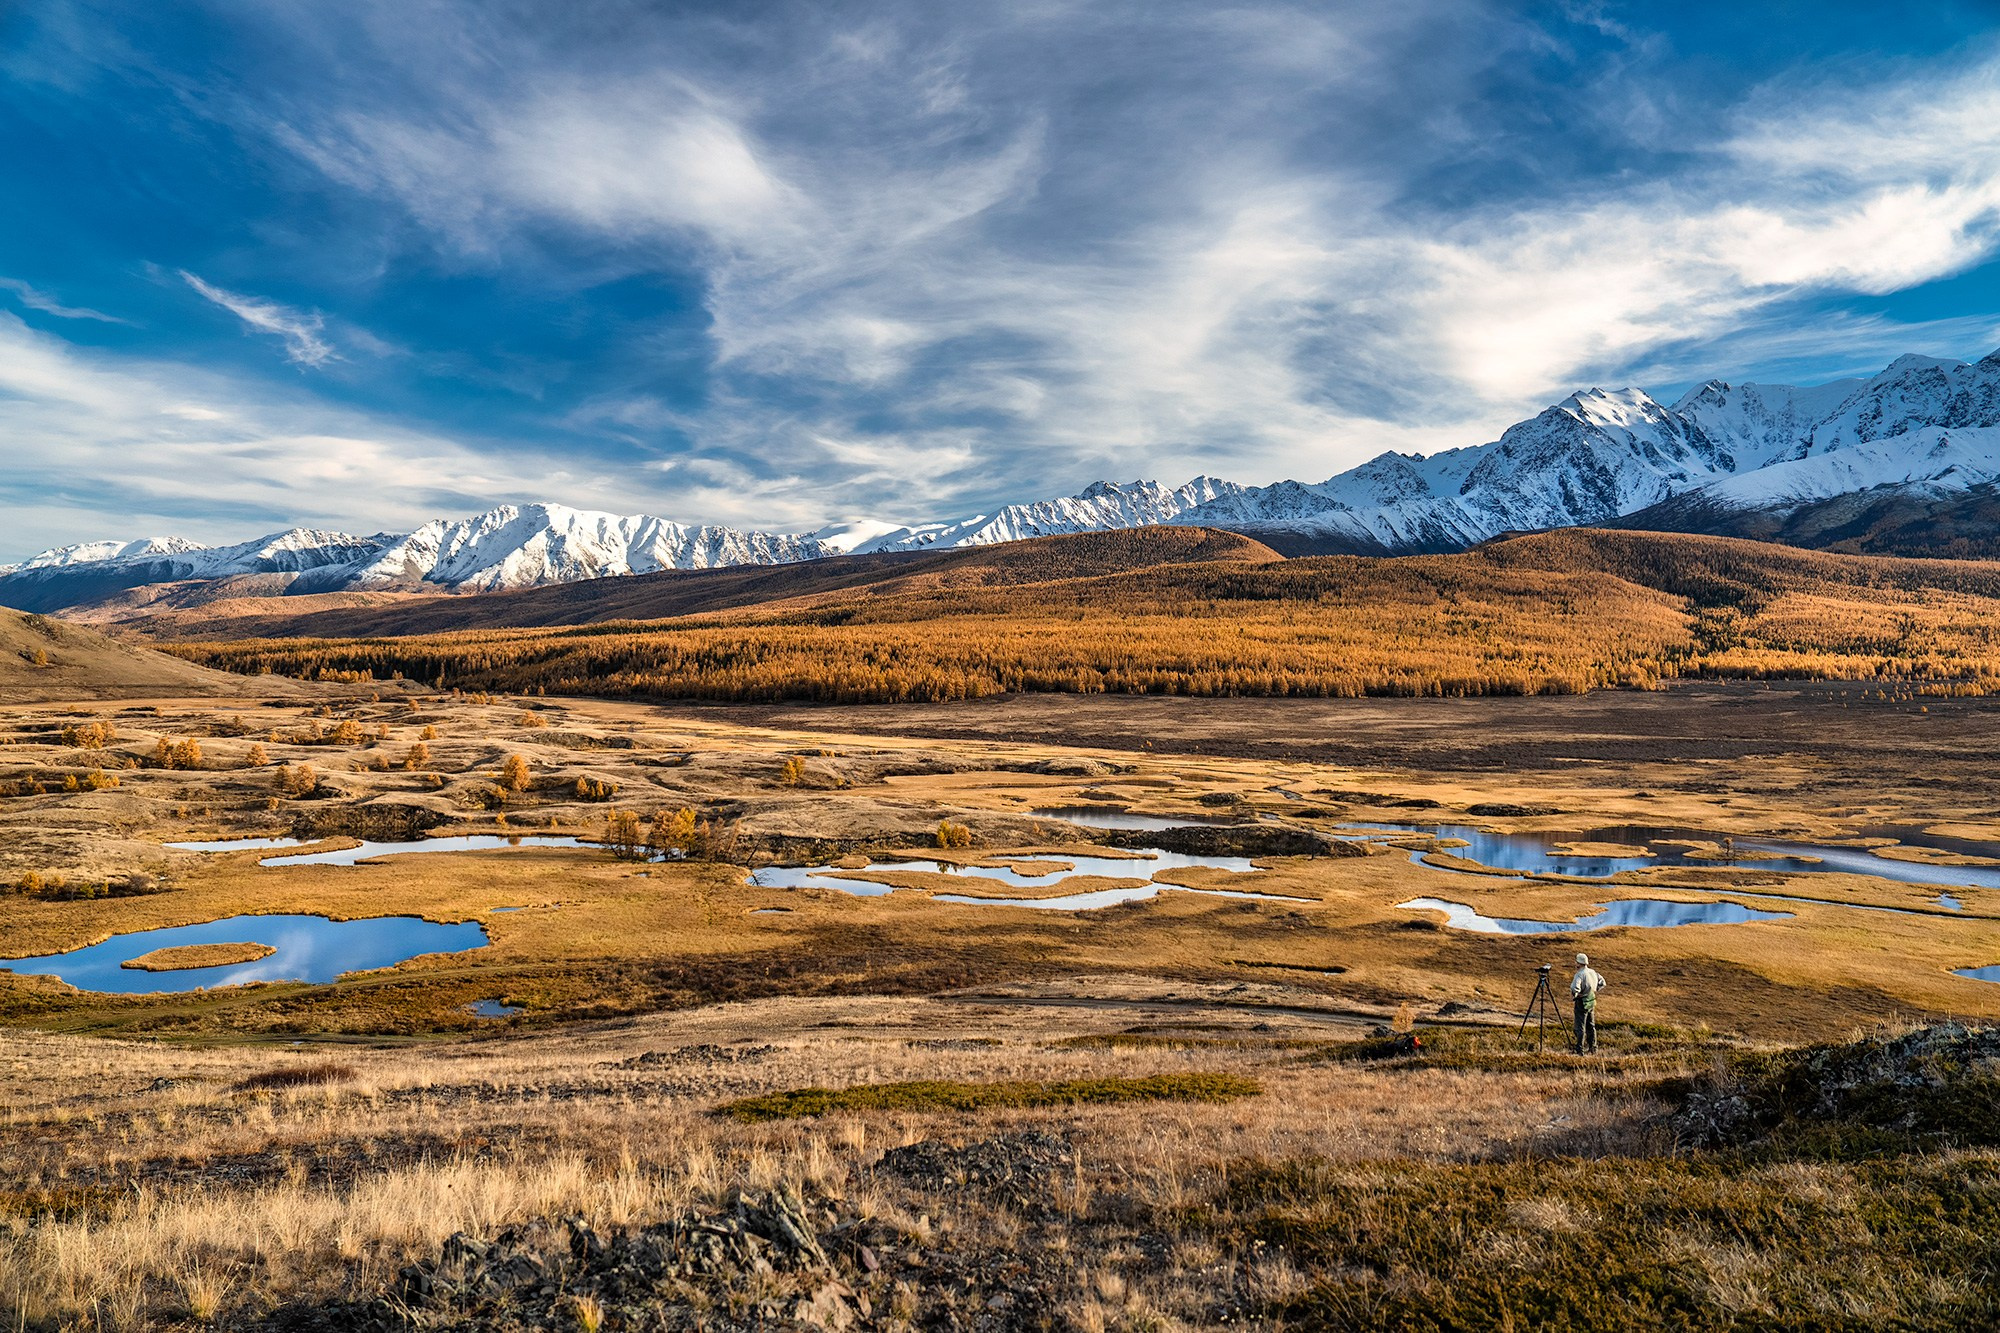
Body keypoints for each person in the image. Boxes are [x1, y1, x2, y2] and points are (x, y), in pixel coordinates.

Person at [1569, 952, 1606, 1054]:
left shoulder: (1579, 974)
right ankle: (1593, 1048)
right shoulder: (1593, 972)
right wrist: (1595, 990)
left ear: (1578, 963)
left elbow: (1575, 988)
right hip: (1591, 1000)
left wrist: (1575, 995)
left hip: (1581, 1002)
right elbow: (1603, 982)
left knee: (1580, 1027)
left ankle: (1579, 1049)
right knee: (1591, 1025)